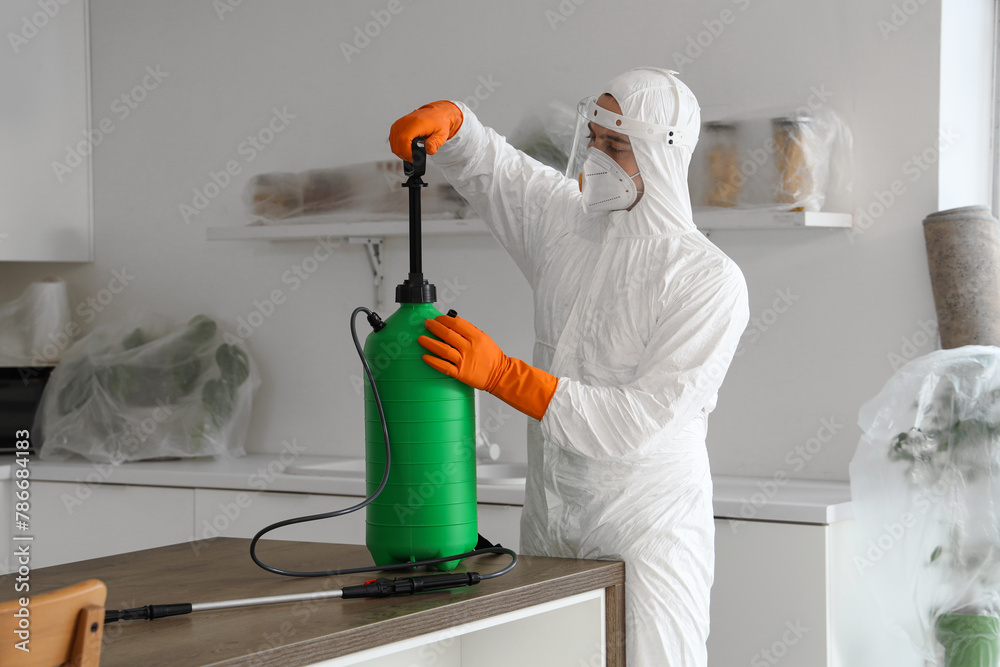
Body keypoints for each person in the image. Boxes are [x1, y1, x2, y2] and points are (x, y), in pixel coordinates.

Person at [389, 67, 749, 666]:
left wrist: (505, 376)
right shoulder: (570, 226)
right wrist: (454, 125)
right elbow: (504, 175)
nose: (595, 156)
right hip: (552, 519)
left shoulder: (706, 279)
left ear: (662, 154)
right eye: (593, 137)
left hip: (646, 532)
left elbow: (636, 421)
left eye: (616, 144)